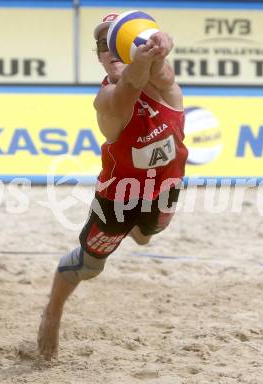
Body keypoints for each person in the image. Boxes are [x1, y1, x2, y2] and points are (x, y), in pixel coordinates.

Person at [37, 12, 188, 360]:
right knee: (88, 267)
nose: (112, 49)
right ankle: (52, 313)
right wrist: (142, 59)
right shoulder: (107, 100)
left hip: (164, 188)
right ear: (100, 57)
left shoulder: (166, 84)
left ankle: (138, 230)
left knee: (148, 235)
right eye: (105, 45)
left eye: (119, 40)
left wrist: (160, 49)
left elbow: (157, 73)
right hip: (118, 199)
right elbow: (129, 86)